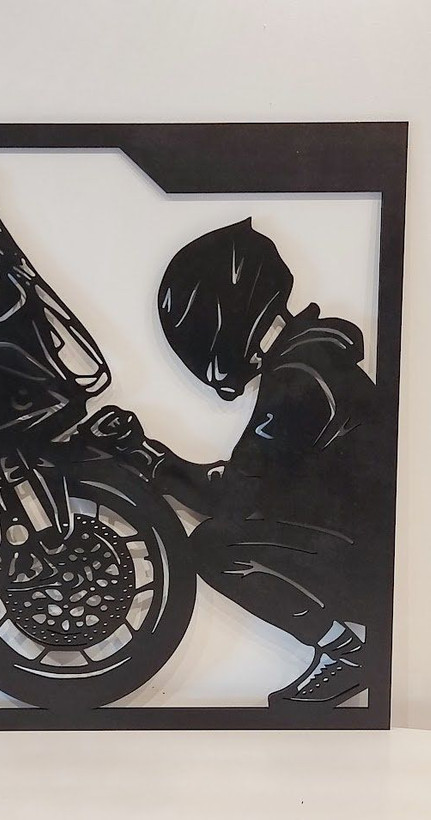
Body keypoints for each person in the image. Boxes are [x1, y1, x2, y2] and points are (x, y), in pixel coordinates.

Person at [81, 218, 381, 709]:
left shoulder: (299, 380)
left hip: (368, 564)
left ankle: (348, 655)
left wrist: (147, 458)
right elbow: (257, 480)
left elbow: (236, 495)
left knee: (215, 546)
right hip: (368, 548)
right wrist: (149, 455)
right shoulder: (314, 360)